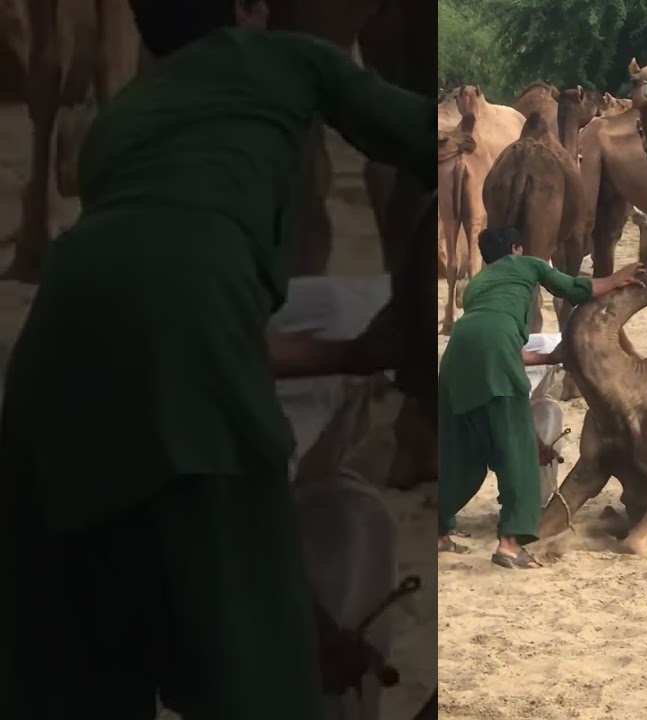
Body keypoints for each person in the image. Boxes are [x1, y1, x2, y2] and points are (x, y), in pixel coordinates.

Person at [0, 1, 432, 718]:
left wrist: (360, 352)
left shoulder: (125, 122)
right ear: (249, 8)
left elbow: (162, 316)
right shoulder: (292, 57)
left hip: (47, 373)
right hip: (195, 371)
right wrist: (420, 313)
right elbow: (440, 145)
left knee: (76, 683)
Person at [437, 226, 643, 569]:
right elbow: (577, 288)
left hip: (456, 355)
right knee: (518, 455)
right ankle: (510, 544)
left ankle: (437, 532)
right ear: (516, 248)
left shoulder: (478, 285)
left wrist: (550, 358)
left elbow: (500, 344)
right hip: (496, 356)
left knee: (460, 452)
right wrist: (617, 278)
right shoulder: (528, 264)